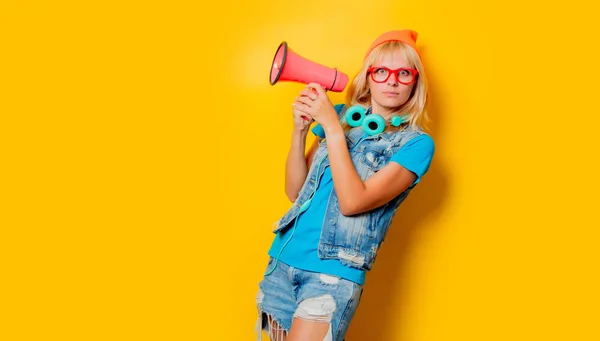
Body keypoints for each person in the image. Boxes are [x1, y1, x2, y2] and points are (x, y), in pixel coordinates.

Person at [255, 29, 435, 341]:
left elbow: (353, 201)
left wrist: (332, 128)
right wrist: (299, 132)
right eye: (382, 71)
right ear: (368, 77)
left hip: (329, 276)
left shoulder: (416, 144)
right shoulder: (340, 117)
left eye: (403, 73)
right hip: (281, 263)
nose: (392, 81)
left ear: (415, 81)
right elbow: (294, 192)